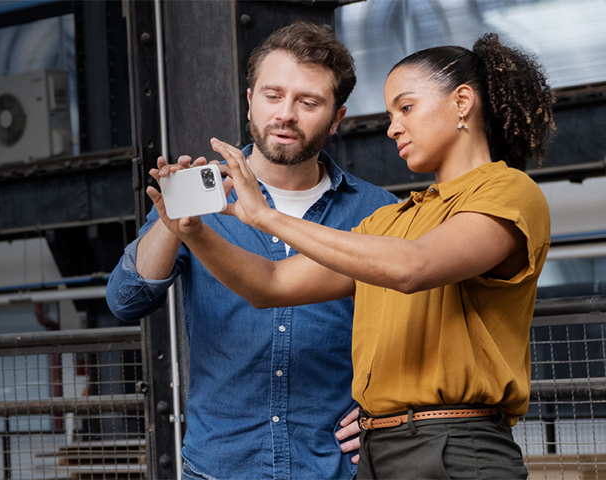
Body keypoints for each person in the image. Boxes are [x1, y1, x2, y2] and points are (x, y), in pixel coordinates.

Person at [146, 33, 554, 479]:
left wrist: (265, 217)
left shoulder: (509, 192)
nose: (392, 126)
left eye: (406, 107)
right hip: (377, 452)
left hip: (455, 446)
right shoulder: (391, 220)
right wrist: (194, 232)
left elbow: (412, 266)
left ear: (461, 102)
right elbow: (271, 285)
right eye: (390, 114)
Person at [106, 21, 397, 480]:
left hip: (332, 468)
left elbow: (410, 332)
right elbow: (126, 300)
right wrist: (174, 223)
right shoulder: (199, 194)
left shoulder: (378, 212)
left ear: (336, 118)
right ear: (249, 102)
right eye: (272, 95)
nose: (286, 114)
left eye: (308, 102)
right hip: (220, 465)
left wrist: (385, 415)